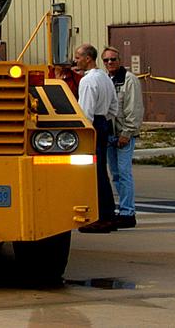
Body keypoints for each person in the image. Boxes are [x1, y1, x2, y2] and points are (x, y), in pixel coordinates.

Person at [74, 44, 120, 233]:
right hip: (103, 123)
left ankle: (98, 216)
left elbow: (86, 111)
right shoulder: (105, 78)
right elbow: (114, 107)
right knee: (101, 171)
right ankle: (108, 214)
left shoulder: (88, 81)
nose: (75, 60)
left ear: (88, 58)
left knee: (93, 172)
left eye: (78, 57)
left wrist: (84, 130)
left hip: (91, 125)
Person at [104, 46, 143, 229]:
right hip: (110, 135)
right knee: (116, 175)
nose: (110, 63)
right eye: (106, 60)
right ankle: (122, 209)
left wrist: (127, 133)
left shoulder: (129, 80)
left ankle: (128, 212)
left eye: (113, 59)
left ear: (119, 60)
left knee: (125, 173)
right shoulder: (106, 80)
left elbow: (134, 109)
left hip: (123, 135)